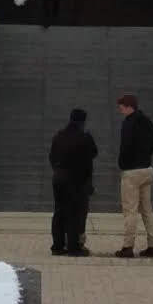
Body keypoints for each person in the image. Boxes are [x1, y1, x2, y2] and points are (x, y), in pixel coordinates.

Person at [115, 92, 153, 258]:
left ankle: (128, 246)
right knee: (147, 209)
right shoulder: (146, 120)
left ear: (128, 107)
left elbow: (125, 146)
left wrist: (123, 162)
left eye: (121, 107)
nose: (120, 110)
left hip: (132, 171)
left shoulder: (129, 123)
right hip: (146, 168)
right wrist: (145, 154)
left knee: (130, 210)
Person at [49, 105, 97, 256]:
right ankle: (73, 246)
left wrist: (58, 171)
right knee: (75, 214)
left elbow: (52, 157)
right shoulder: (84, 137)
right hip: (77, 182)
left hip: (59, 179)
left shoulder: (59, 136)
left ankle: (57, 246)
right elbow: (92, 155)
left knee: (59, 212)